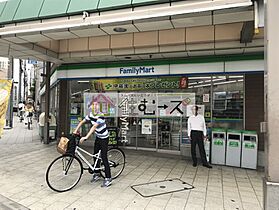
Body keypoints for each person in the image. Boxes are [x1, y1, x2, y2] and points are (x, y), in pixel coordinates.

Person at [73, 101, 112, 187]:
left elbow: (94, 127)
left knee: (104, 157)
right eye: (93, 105)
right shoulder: (90, 115)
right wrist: (76, 130)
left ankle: (108, 178)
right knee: (95, 155)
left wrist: (86, 137)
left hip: (104, 138)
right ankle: (97, 174)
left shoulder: (101, 115)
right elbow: (82, 122)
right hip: (98, 137)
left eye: (97, 105)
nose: (95, 107)